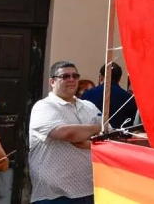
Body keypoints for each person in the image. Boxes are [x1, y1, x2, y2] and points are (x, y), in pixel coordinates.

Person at [28, 61, 104, 204]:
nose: (71, 79)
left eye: (75, 76)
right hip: (54, 196)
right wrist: (97, 127)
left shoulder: (89, 107)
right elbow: (68, 134)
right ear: (52, 81)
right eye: (65, 76)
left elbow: (109, 134)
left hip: (90, 190)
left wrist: (88, 141)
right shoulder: (44, 107)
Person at [80, 64, 139, 130]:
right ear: (119, 79)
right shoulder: (129, 98)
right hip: (121, 135)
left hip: (93, 135)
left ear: (101, 77)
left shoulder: (87, 95)